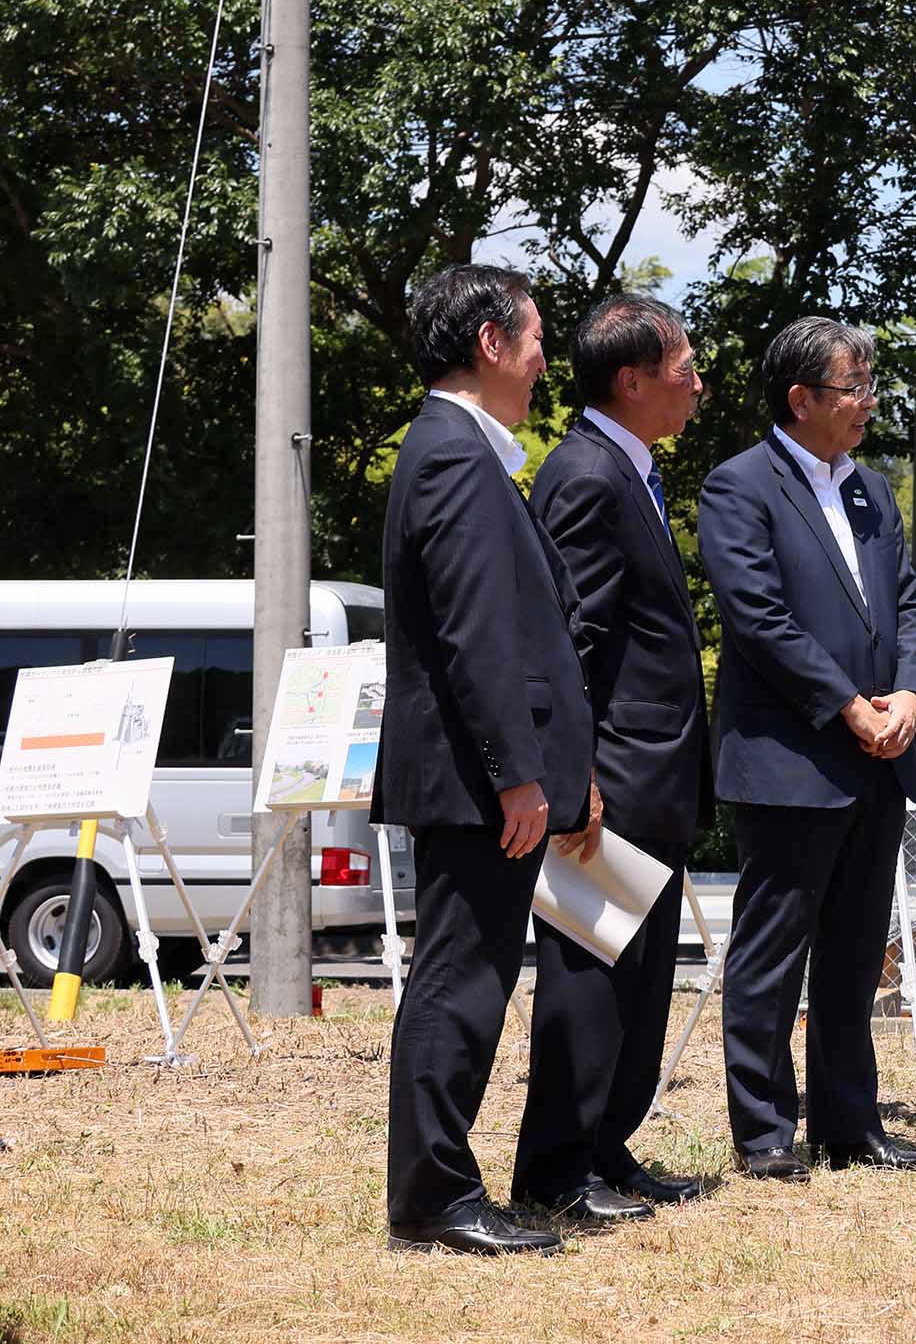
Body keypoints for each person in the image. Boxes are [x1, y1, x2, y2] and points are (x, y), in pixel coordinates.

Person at [375, 263, 591, 1255]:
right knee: (459, 984)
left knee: (466, 979)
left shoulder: (458, 449)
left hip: (478, 778)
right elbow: (477, 634)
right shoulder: (456, 456)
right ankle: (433, 1201)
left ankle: (439, 1190)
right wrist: (516, 773)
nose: (548, 357)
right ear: (492, 344)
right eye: (538, 336)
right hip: (475, 782)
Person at [698, 317, 916, 1182]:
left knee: (853, 953)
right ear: (801, 400)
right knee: (772, 952)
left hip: (880, 754)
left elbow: (904, 606)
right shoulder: (739, 488)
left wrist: (907, 695)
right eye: (852, 389)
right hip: (792, 757)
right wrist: (846, 706)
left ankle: (850, 1124)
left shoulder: (871, 490)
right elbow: (758, 619)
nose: (867, 404)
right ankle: (765, 1134)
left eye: (871, 386)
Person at [511, 294, 713, 1224]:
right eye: (683, 368)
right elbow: (569, 640)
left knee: (639, 975)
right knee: (589, 976)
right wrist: (573, 774)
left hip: (652, 773)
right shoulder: (586, 474)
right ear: (631, 381)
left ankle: (603, 1145)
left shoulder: (627, 469)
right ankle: (558, 1169)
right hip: (614, 776)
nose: (697, 383)